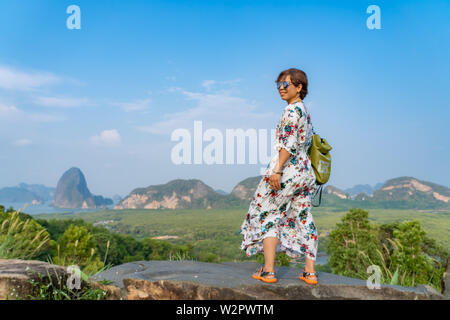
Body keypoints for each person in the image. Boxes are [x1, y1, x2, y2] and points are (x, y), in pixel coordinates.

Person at [238, 68, 320, 285]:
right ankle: (310, 272)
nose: (281, 89)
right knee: (304, 217)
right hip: (304, 172)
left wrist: (277, 169)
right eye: (279, 85)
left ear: (299, 87)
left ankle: (268, 271)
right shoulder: (304, 111)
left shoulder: (292, 111)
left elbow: (289, 144)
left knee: (267, 213)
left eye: (286, 84)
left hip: (287, 171)